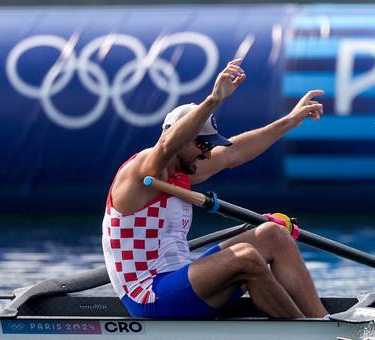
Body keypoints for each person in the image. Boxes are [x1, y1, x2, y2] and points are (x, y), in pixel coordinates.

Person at [102, 59, 328, 319]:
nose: (207, 153)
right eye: (203, 145)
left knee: (273, 234)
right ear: (183, 139)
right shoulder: (143, 171)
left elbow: (236, 152)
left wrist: (289, 121)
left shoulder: (185, 172)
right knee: (245, 256)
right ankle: (305, 333)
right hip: (148, 295)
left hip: (180, 283)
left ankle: (324, 321)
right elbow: (166, 146)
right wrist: (213, 99)